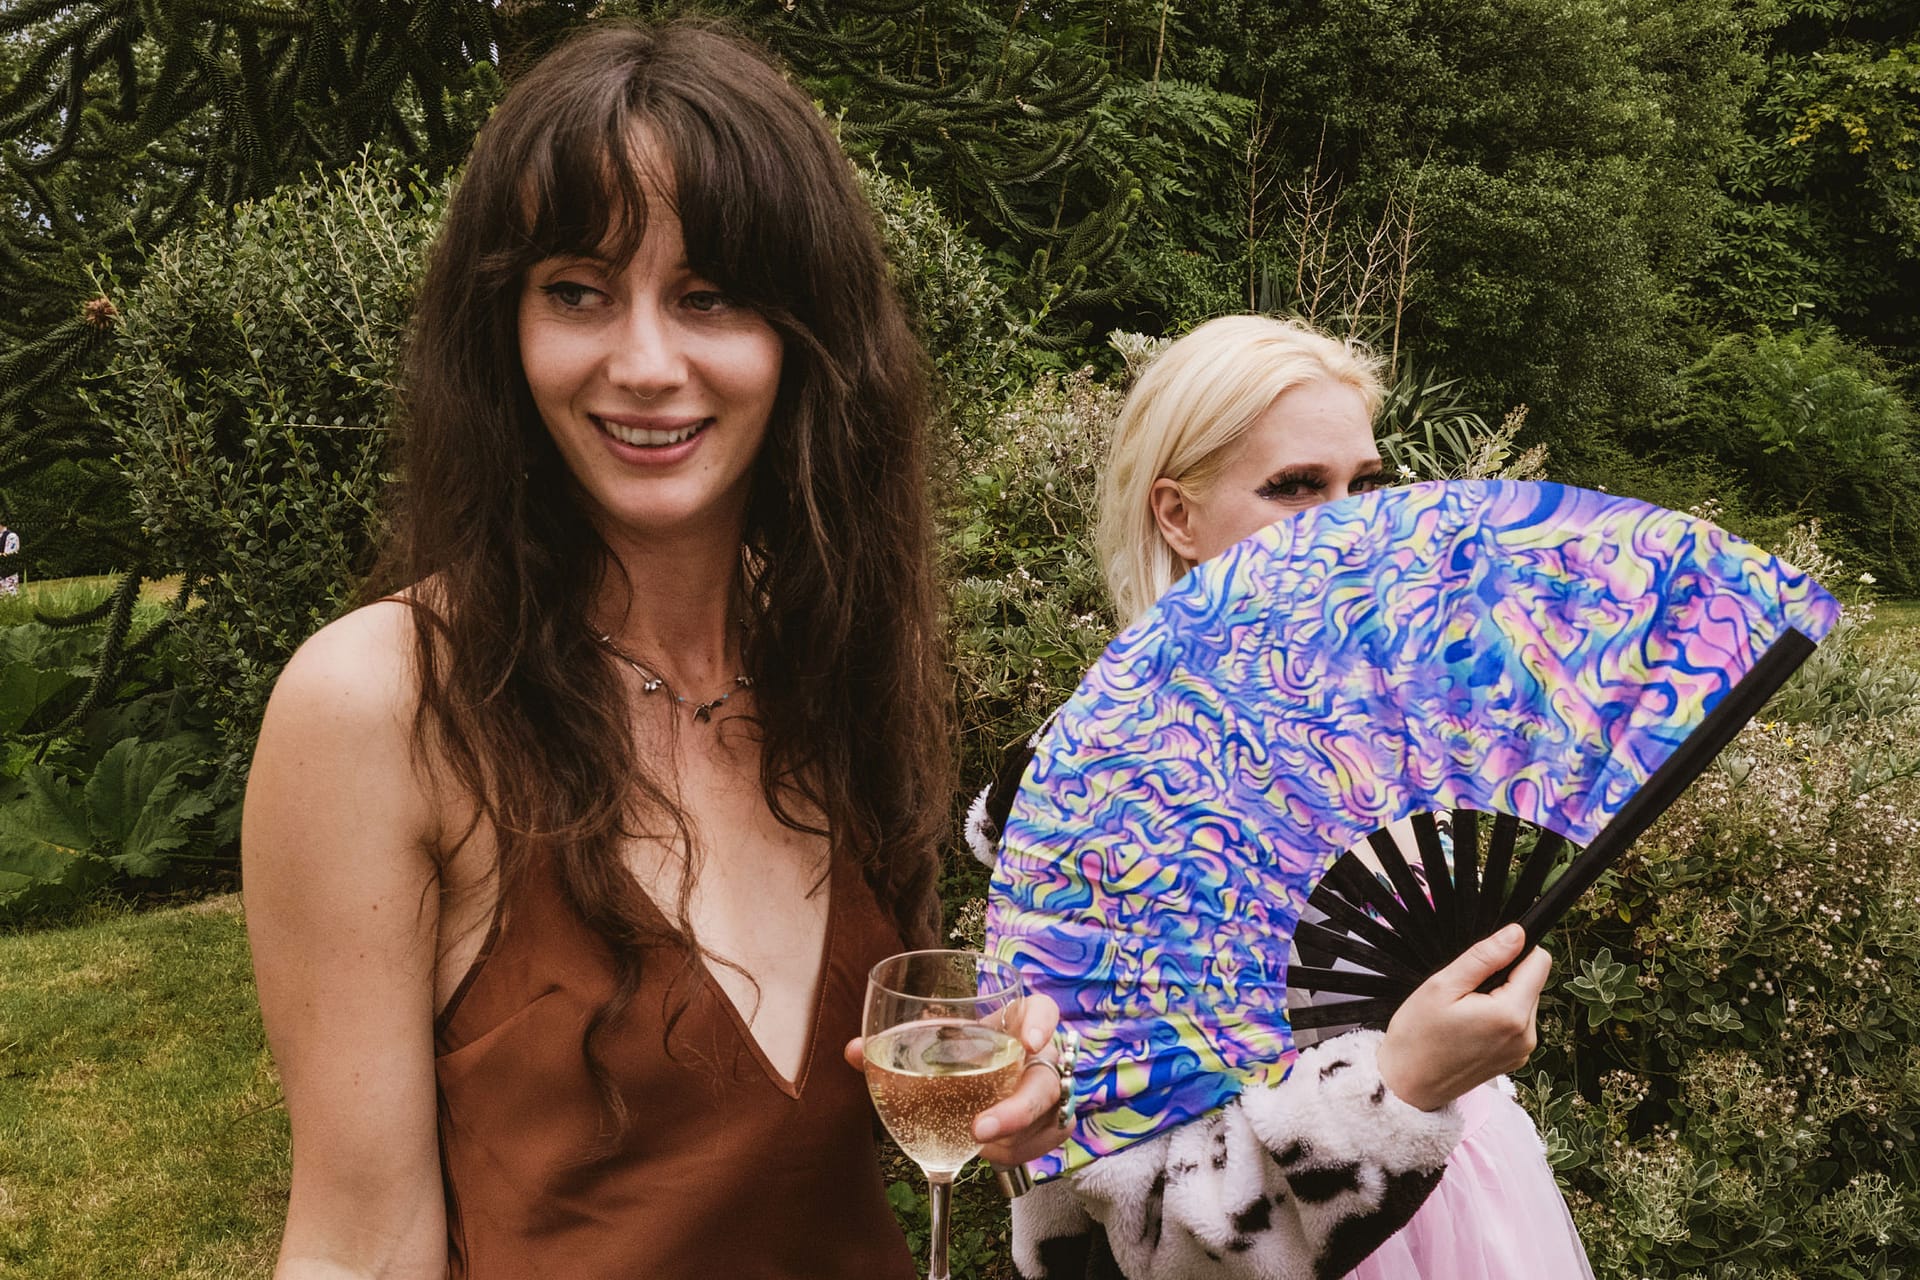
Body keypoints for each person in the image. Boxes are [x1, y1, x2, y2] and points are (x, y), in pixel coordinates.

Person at [241, 22, 1066, 1280]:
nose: (642, 363)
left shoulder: (839, 660)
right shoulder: (384, 704)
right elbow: (356, 1250)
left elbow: (854, 1121)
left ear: (805, 338)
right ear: (502, 330)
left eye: (708, 295)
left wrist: (1019, 1092)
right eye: (577, 290)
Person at [975, 315, 1595, 1279]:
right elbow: (1135, 1227)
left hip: (1470, 1203)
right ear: (1177, 516)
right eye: (1297, 487)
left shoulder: (1383, 725)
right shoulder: (1102, 804)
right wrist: (1396, 1091)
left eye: (1365, 485)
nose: (1352, 526)